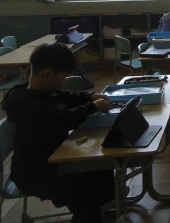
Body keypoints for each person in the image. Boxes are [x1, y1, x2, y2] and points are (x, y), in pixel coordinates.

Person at [1, 43, 115, 223]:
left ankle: (106, 207)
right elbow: (62, 119)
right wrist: (91, 107)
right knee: (83, 193)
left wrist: (89, 96)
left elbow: (66, 97)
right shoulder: (28, 104)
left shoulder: (44, 92)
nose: (64, 81)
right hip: (34, 171)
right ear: (48, 73)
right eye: (63, 76)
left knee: (102, 165)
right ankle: (91, 212)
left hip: (55, 159)